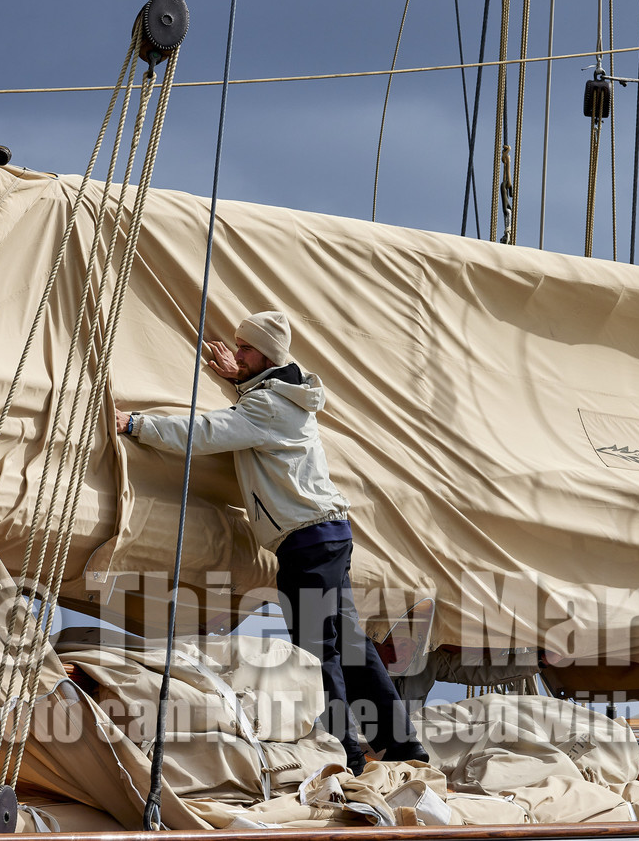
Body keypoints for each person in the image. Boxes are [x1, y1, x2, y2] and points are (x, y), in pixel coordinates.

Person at [114, 310, 427, 774]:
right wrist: (241, 380)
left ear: (267, 355)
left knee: (318, 652)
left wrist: (136, 424)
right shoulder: (283, 395)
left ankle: (348, 757)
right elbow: (257, 415)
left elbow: (209, 432)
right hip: (328, 535)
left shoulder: (270, 406)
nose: (235, 354)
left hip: (307, 542)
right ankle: (403, 749)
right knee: (352, 649)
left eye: (245, 349)